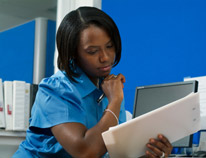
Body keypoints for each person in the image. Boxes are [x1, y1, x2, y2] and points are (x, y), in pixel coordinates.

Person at [12, 6, 173, 158]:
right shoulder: (55, 90)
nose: (105, 57)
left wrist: (150, 154)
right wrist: (115, 102)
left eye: (110, 46)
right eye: (92, 51)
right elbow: (86, 151)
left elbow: (113, 151)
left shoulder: (110, 87)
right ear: (73, 53)